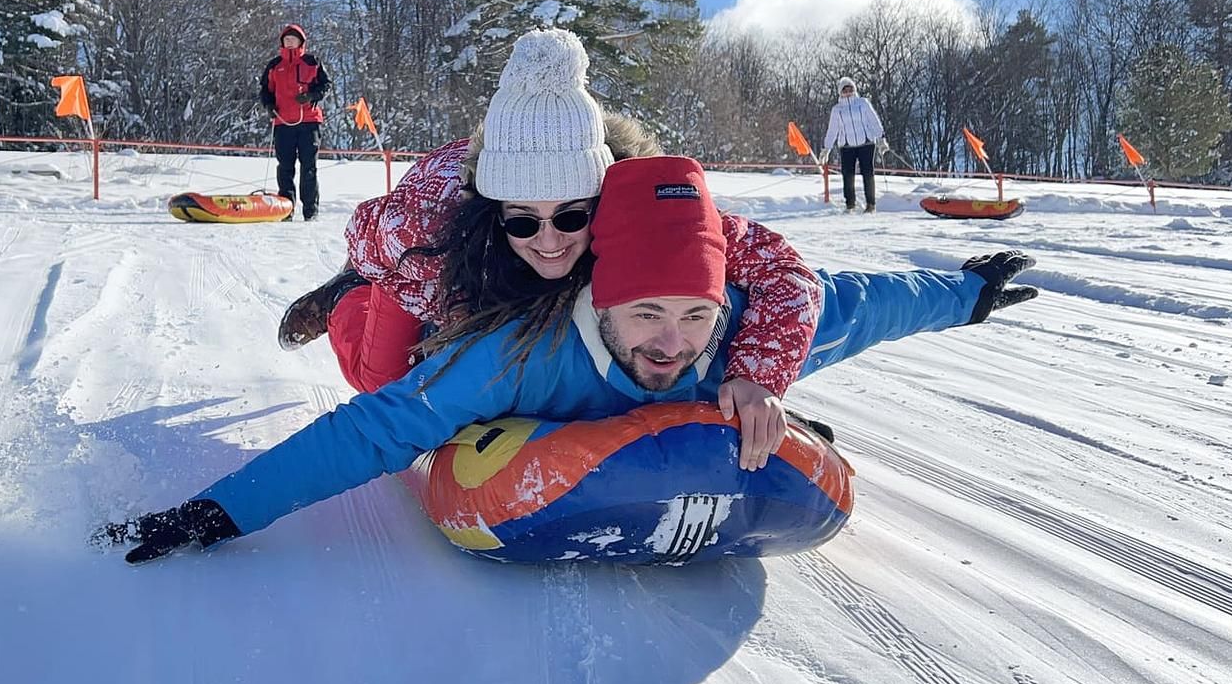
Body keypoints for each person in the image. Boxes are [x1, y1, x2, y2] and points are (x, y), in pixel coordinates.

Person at [96, 156, 1039, 564]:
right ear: (603, 298)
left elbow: (862, 305)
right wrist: (218, 512)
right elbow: (375, 433)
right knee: (380, 364)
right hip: (432, 300)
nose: (673, 344)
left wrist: (966, 294)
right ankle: (353, 293)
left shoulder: (738, 338)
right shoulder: (516, 356)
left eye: (694, 317)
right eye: (647, 316)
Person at [277, 29, 823, 421]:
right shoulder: (426, 227)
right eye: (523, 221)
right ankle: (345, 300)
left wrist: (754, 373)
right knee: (384, 380)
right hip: (409, 263)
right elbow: (366, 233)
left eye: (571, 216)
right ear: (497, 211)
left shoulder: (643, 209)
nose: (549, 238)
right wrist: (447, 317)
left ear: (601, 197)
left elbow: (786, 273)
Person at [260, 23, 330, 221]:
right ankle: (286, 210)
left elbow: (326, 85)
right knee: (285, 167)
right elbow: (265, 90)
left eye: (293, 38)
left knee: (309, 167)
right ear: (282, 42)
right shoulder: (274, 65)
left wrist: (311, 96)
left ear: (301, 42)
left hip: (309, 121)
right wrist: (269, 105)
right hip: (283, 123)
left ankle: (310, 211)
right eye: (286, 39)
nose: (289, 41)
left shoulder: (312, 62)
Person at [822, 76, 886, 213]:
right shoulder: (837, 109)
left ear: (854, 89)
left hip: (866, 143)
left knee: (868, 173)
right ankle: (850, 204)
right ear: (840, 92)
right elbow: (832, 129)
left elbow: (873, 120)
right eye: (844, 90)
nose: (848, 92)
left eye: (850, 89)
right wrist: (826, 148)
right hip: (846, 145)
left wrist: (881, 138)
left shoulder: (863, 103)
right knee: (847, 174)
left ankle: (871, 204)